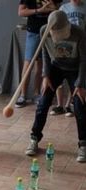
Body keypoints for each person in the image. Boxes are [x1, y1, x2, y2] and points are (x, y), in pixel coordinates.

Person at [26, 10, 86, 163]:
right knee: (43, 101)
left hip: (75, 69)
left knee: (80, 105)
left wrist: (80, 84)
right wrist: (46, 76)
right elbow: (45, 53)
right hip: (56, 67)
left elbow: (84, 61)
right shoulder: (43, 30)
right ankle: (34, 138)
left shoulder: (79, 33)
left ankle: (83, 144)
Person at [15, 0, 62, 108]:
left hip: (50, 32)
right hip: (33, 32)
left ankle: (37, 95)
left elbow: (59, 11)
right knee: (28, 63)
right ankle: (22, 96)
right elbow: (21, 12)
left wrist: (53, 7)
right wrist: (39, 10)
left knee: (41, 64)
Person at [50, 0, 86, 116]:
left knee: (74, 76)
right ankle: (59, 105)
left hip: (79, 45)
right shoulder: (63, 8)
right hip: (63, 45)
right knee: (58, 77)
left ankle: (69, 105)